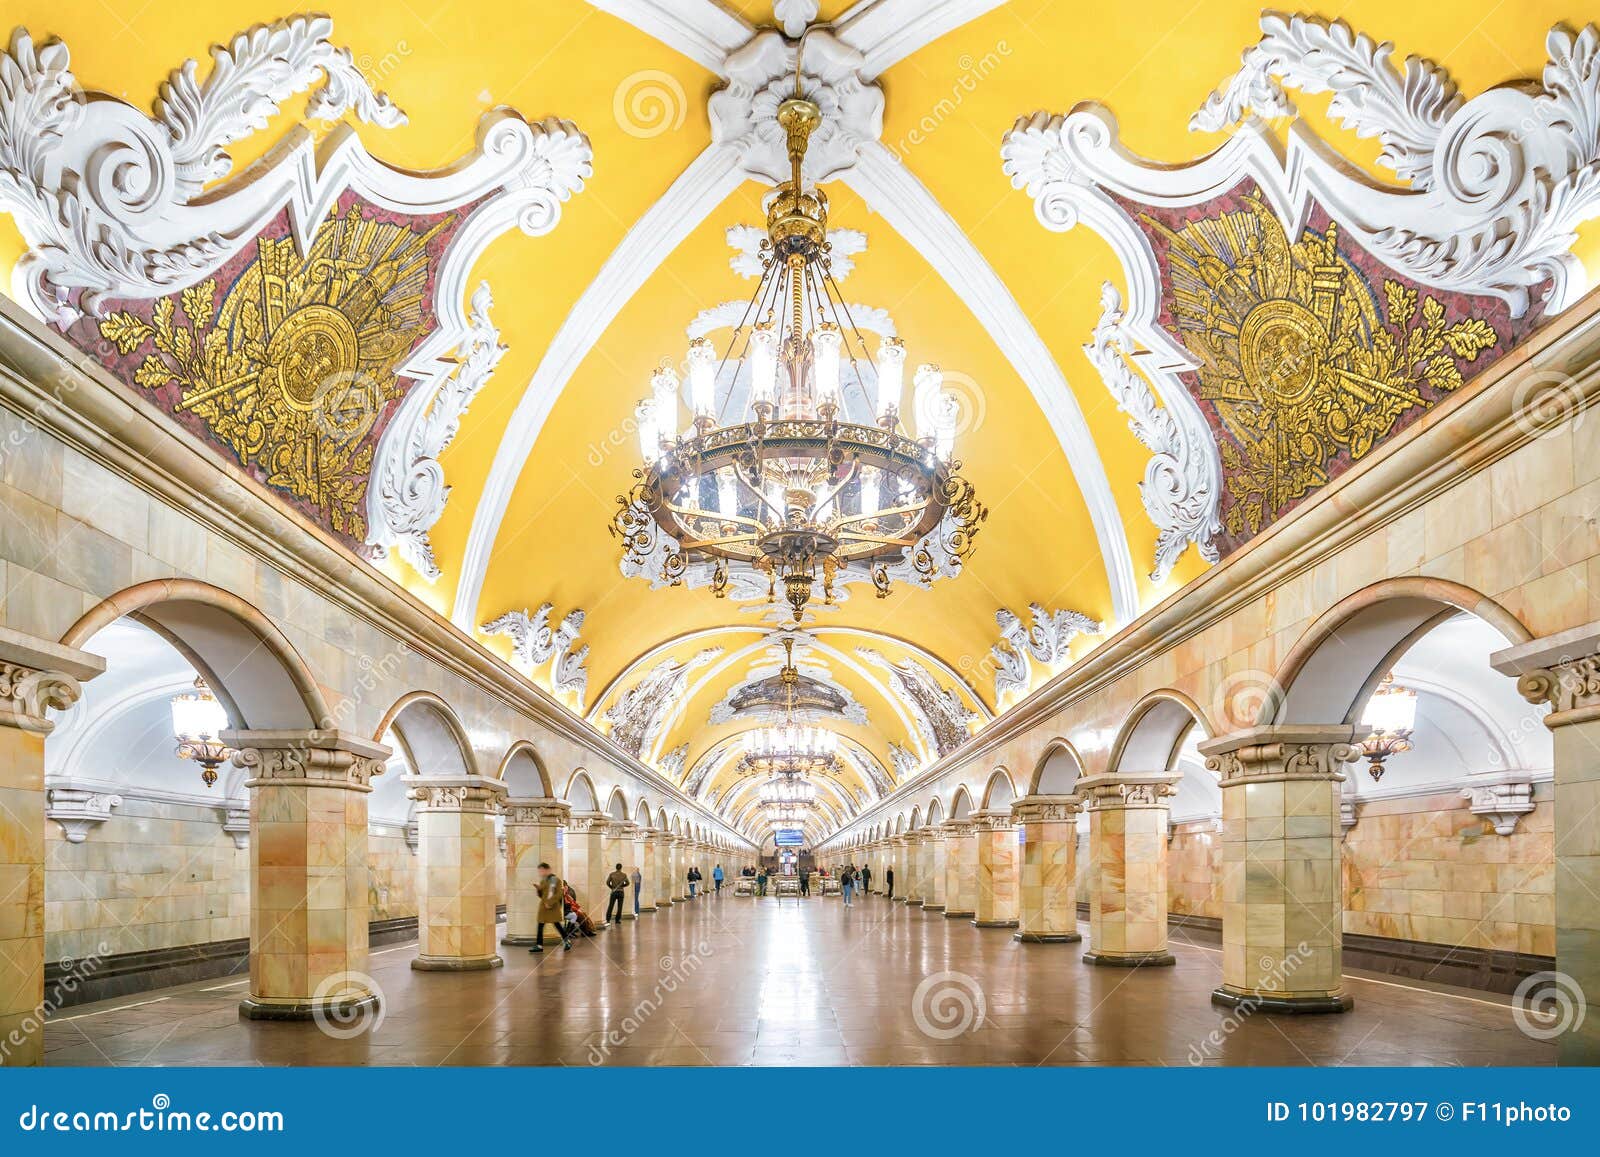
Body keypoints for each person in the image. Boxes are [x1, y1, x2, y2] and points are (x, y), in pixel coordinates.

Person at [529, 862, 572, 952]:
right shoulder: (543, 881)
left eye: (542, 870)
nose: (540, 872)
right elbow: (542, 895)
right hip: (543, 908)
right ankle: (539, 945)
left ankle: (567, 941)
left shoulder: (555, 880)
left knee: (557, 925)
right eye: (539, 871)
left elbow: (559, 893)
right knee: (540, 926)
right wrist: (538, 889)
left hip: (552, 907)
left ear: (547, 870)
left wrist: (550, 903)